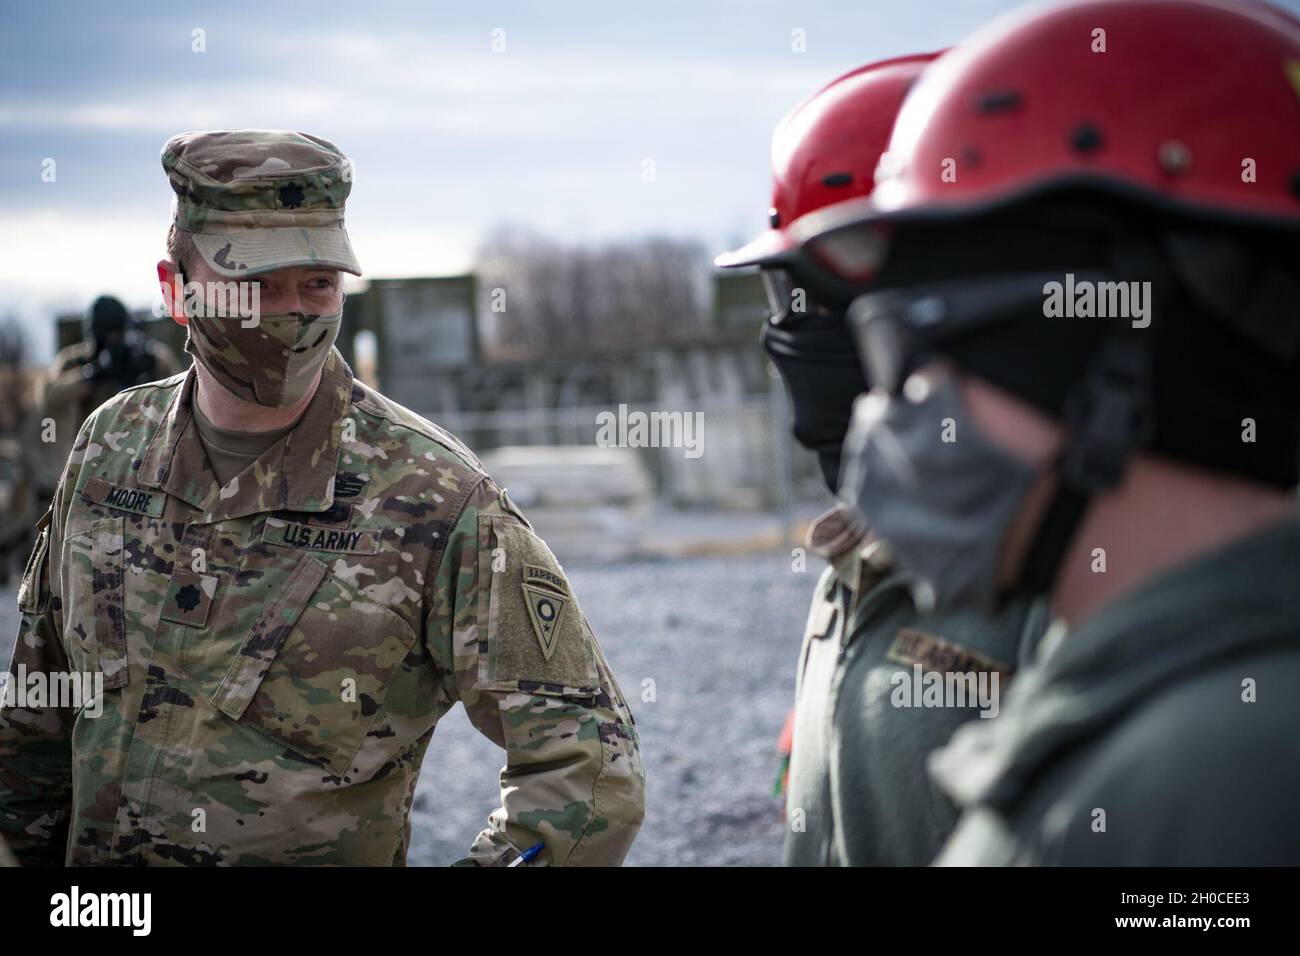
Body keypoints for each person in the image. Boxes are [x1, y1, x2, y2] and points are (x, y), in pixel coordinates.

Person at [0, 129, 644, 866]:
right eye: (257, 284)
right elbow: (36, 713)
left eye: (318, 284)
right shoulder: (108, 449)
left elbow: (590, 766)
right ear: (176, 288)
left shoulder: (435, 498)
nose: (291, 313)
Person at [793, 0, 1300, 864]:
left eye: (926, 345)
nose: (896, 406)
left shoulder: (1210, 780)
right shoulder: (1150, 725)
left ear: (1111, 367)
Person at [716, 54, 1047, 865]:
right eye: (781, 298)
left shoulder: (1064, 564)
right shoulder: (855, 554)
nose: (794, 336)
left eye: (816, 294)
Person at [36, 296, 182, 503]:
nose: (113, 341)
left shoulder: (149, 358)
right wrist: (90, 375)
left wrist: (147, 374)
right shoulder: (77, 360)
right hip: (89, 463)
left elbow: (180, 397)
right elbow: (49, 397)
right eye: (108, 335)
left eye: (117, 334)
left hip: (143, 462)